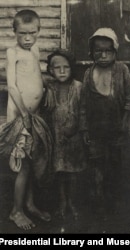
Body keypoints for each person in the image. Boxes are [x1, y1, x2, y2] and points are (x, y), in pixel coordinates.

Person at [0, 9, 53, 230]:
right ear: (14, 32)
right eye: (23, 34)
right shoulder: (13, 53)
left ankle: (29, 203)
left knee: (31, 162)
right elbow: (12, 85)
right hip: (21, 117)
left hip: (35, 116)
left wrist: (46, 88)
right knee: (22, 166)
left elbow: (36, 76)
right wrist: (24, 114)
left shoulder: (35, 50)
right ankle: (16, 211)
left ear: (39, 31)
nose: (28, 38)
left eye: (32, 33)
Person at [79, 28, 130, 218]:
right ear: (91, 52)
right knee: (96, 166)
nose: (103, 56)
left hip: (117, 129)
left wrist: (125, 123)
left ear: (115, 52)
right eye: (98, 51)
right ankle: (98, 202)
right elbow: (84, 104)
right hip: (96, 130)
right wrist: (85, 129)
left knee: (115, 165)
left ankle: (114, 201)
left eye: (108, 51)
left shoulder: (122, 70)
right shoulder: (88, 74)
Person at [46, 50, 87, 220]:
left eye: (66, 68)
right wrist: (46, 87)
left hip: (74, 137)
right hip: (56, 136)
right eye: (57, 68)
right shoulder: (50, 88)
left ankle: (73, 202)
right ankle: (62, 202)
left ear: (72, 69)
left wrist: (80, 130)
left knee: (73, 172)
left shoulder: (79, 87)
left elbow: (84, 111)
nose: (62, 71)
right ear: (50, 70)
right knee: (59, 170)